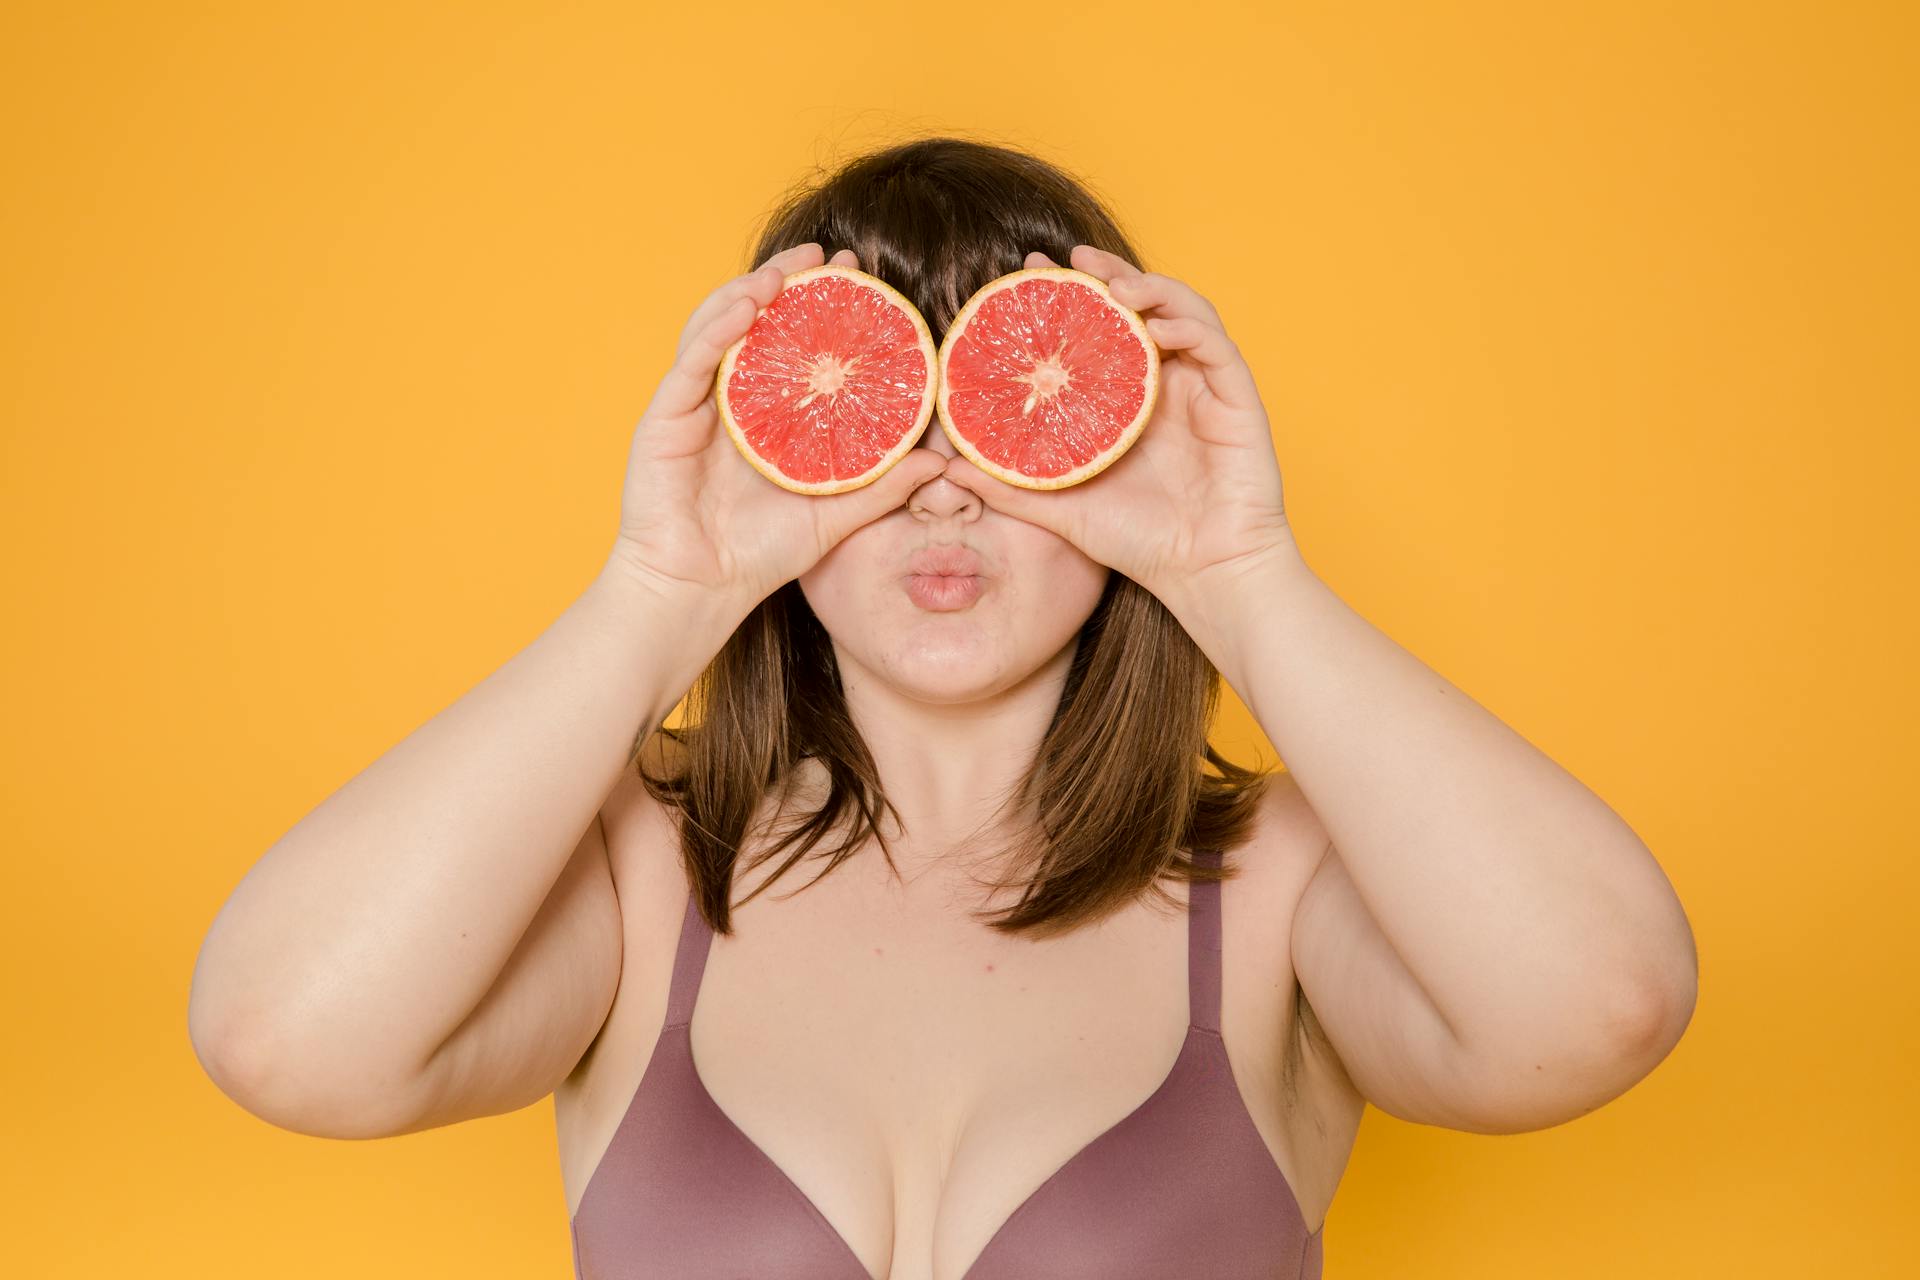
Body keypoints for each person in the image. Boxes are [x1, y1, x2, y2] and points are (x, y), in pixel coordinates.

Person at [188, 136, 1697, 1279]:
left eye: (1017, 404)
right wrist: (658, 589)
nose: (942, 480)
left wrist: (1240, 573)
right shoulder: (637, 875)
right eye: (869, 403)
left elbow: (1602, 1002)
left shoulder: (1282, 887)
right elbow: (284, 1039)